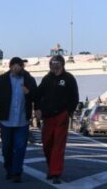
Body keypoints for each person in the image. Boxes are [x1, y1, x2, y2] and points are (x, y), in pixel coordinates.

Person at [0, 56, 37, 183]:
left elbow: (37, 96)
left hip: (22, 121)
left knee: (20, 147)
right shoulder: (2, 80)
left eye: (19, 65)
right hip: (6, 120)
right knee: (7, 147)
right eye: (14, 65)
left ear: (22, 67)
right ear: (10, 67)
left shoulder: (29, 80)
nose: (16, 67)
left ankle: (17, 172)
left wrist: (29, 93)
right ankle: (9, 168)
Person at [35, 55, 79, 184]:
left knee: (58, 146)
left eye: (56, 63)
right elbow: (38, 94)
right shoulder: (47, 79)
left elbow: (74, 97)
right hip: (48, 117)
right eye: (52, 63)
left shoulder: (69, 79)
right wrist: (37, 108)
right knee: (47, 144)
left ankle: (56, 173)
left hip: (61, 115)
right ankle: (51, 167)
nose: (54, 66)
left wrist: (68, 112)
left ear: (62, 64)